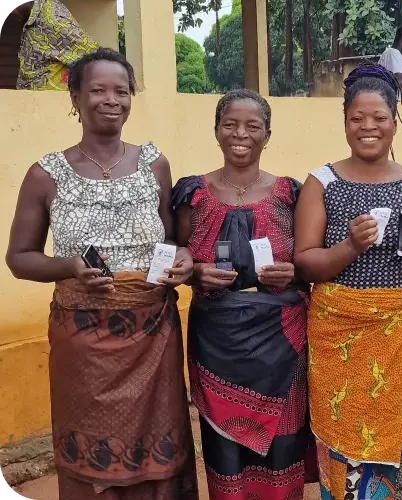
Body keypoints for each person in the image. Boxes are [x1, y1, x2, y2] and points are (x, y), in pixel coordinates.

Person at [5, 48, 197, 499]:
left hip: (152, 335)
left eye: (122, 90)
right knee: (90, 458)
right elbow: (19, 257)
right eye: (98, 90)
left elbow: (168, 242)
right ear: (74, 96)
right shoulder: (45, 174)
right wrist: (68, 267)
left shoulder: (155, 164)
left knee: (159, 454)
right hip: (82, 341)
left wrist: (182, 258)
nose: (112, 100)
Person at [294, 64, 402, 500]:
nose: (368, 127)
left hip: (400, 337)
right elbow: (306, 263)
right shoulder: (323, 182)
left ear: (395, 122)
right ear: (344, 123)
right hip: (340, 340)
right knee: (344, 439)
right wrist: (350, 247)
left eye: (379, 118)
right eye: (357, 118)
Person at [173, 89, 315, 500]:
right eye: (230, 124)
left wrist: (294, 271)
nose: (241, 134)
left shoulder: (292, 193)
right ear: (216, 130)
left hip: (282, 345)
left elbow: (310, 258)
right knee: (224, 451)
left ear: (267, 135)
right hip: (217, 343)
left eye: (253, 126)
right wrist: (194, 272)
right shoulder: (191, 193)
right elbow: (173, 253)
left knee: (283, 446)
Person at [10, 0, 98, 90]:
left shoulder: (51, 19)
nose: (11, 12)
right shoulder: (34, 18)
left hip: (54, 94)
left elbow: (91, 51)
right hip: (33, 93)